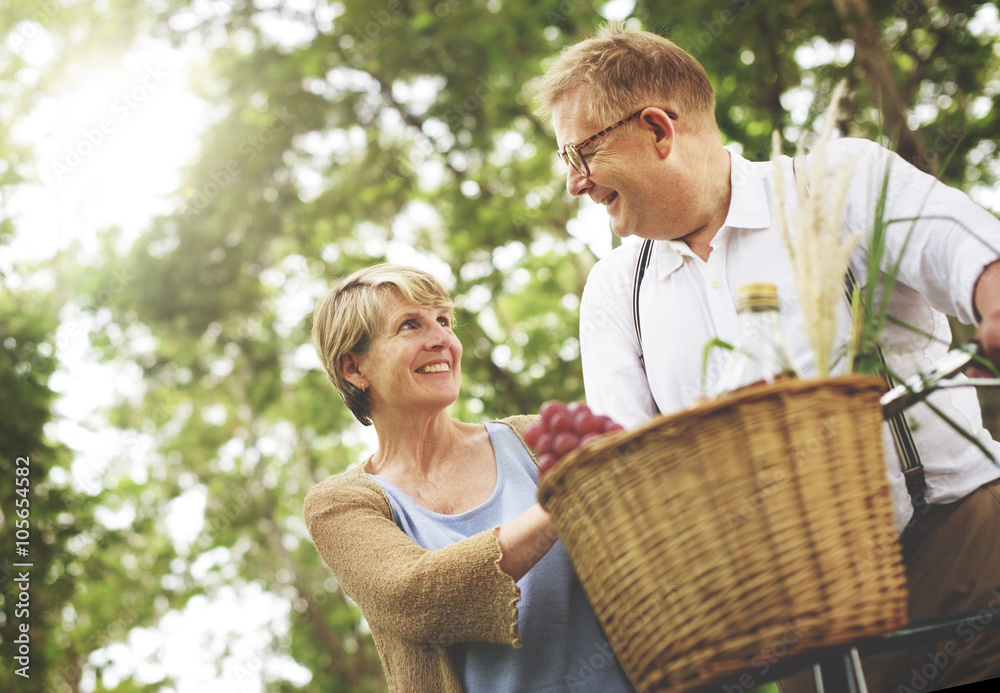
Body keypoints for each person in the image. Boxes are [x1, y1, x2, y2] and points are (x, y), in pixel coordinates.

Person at [534, 20, 1000, 693]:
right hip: (796, 627)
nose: (574, 183)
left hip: (957, 552)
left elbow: (956, 244)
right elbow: (628, 464)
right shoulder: (615, 292)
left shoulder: (834, 183)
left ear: (658, 130)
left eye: (581, 153)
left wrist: (991, 288)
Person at [303, 264, 635, 693]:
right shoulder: (340, 504)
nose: (441, 338)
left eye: (443, 320)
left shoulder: (533, 440)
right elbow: (418, 597)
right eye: (410, 325)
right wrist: (563, 502)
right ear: (353, 368)